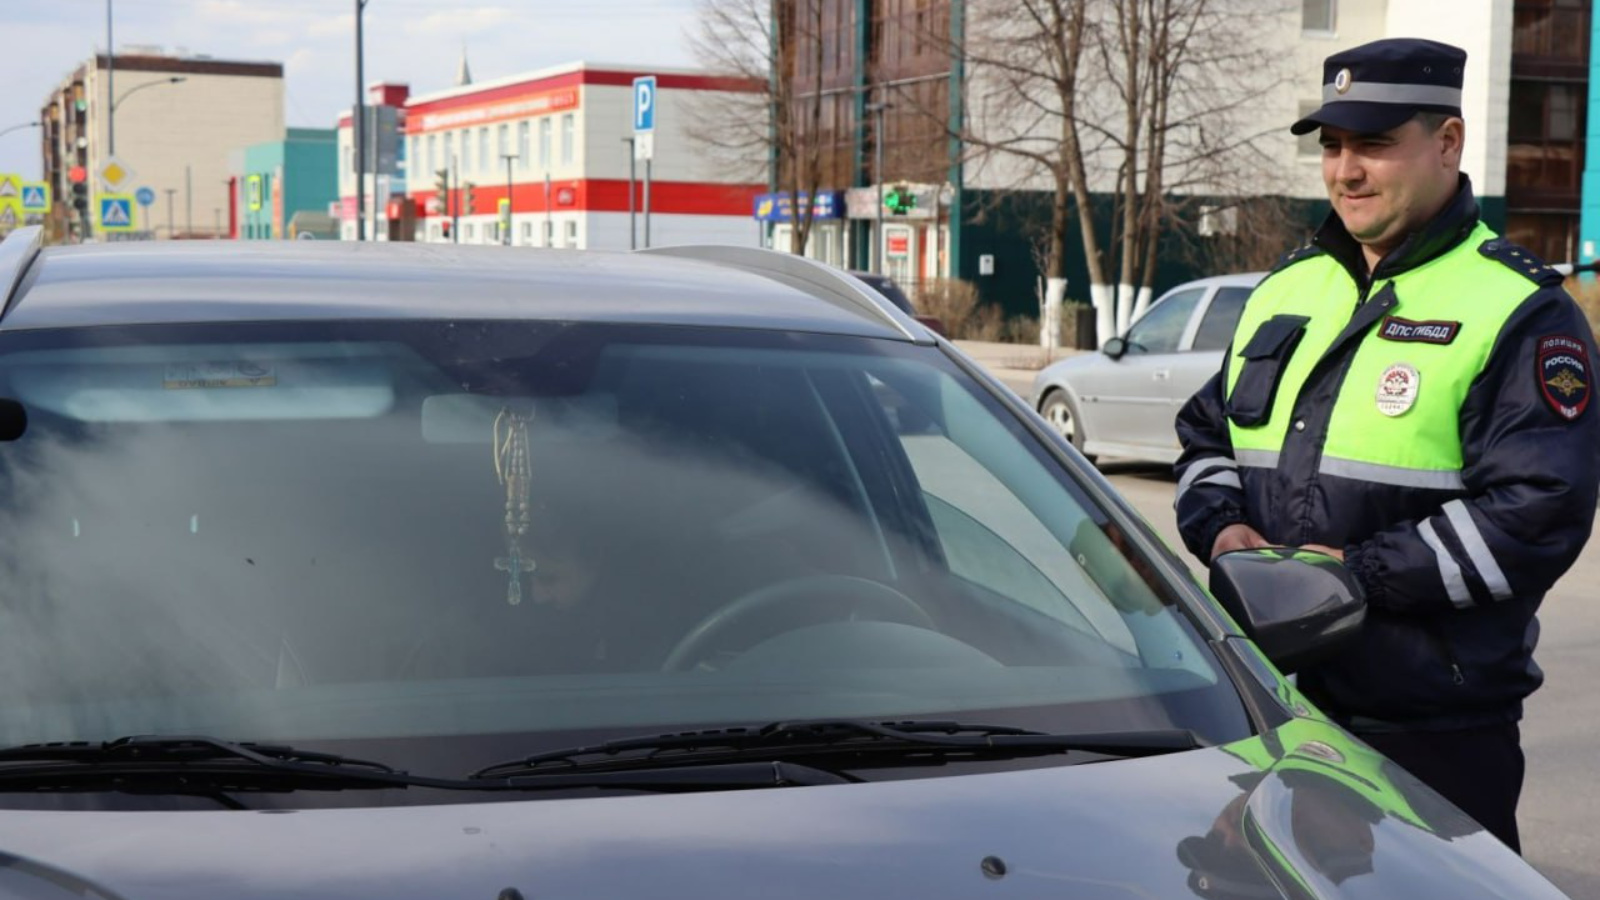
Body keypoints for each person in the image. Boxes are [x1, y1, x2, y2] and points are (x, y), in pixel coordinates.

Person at [1173, 37, 1600, 854]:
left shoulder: (1519, 308)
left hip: (1430, 735)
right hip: (1270, 710)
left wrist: (1356, 575)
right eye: (1332, 146)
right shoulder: (1288, 288)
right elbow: (1205, 435)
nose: (1346, 171)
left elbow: (1539, 510)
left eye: (1372, 144)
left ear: (1448, 142)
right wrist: (1222, 530)